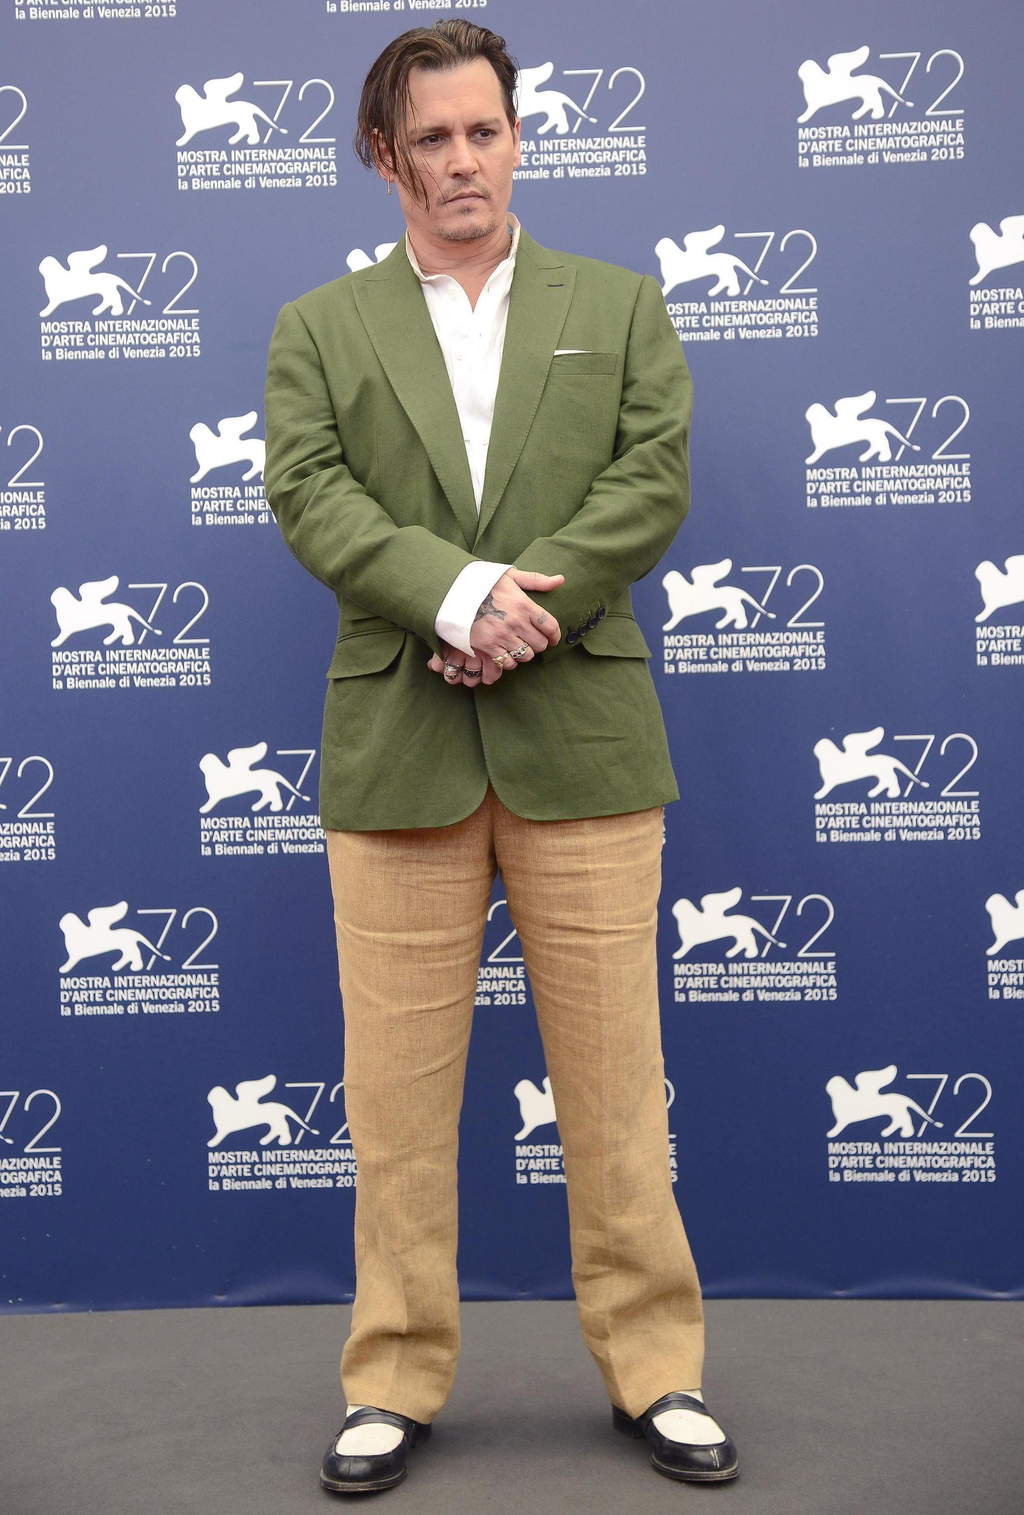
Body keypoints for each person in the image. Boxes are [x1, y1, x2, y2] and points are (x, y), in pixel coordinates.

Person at [264, 19, 739, 1495]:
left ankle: (657, 1370)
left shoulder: (622, 304)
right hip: (400, 745)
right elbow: (311, 493)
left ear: (518, 137)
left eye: (486, 131)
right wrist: (455, 596)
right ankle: (393, 1377)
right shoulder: (318, 328)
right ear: (385, 157)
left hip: (581, 739)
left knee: (617, 1091)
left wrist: (520, 609)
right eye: (433, 139)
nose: (463, 161)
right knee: (397, 1105)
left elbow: (649, 482)